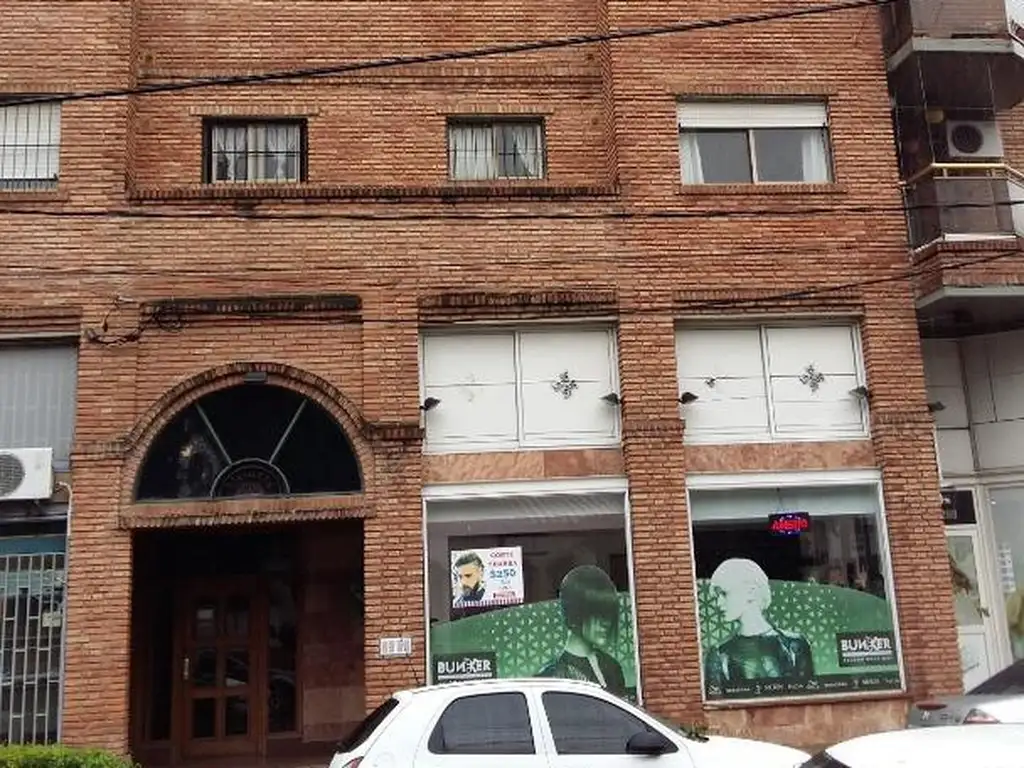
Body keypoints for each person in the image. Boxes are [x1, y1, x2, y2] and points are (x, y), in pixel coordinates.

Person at [703, 558, 814, 690]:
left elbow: (807, 693)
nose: (718, 603)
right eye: (717, 596)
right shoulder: (719, 653)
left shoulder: (794, 644)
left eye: (724, 594)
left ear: (751, 591)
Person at [537, 565, 627, 697]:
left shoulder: (612, 667)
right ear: (576, 613)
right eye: (597, 612)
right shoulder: (553, 675)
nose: (606, 622)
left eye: (608, 613)